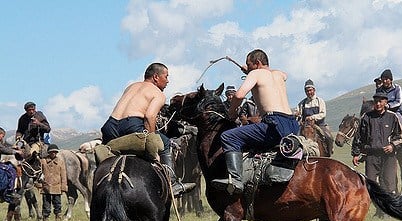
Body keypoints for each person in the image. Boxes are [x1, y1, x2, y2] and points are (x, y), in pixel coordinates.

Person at [100, 63, 195, 197]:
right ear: (156, 77)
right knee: (165, 143)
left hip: (110, 127)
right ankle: (172, 184)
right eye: (166, 77)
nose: (168, 81)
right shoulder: (158, 94)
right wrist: (152, 141)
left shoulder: (131, 86)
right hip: (132, 125)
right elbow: (149, 116)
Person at [212, 49, 299, 194]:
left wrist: (231, 113)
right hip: (292, 124)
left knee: (229, 136)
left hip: (274, 123)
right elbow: (284, 75)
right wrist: (252, 70)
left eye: (249, 64)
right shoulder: (278, 74)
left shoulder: (255, 73)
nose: (247, 67)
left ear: (257, 63)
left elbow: (239, 95)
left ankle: (235, 180)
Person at [351, 92, 402, 218]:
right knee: (371, 185)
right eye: (376, 101)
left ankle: (388, 212)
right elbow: (359, 137)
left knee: (388, 184)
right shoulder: (366, 117)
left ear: (386, 102)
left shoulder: (393, 117)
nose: (378, 104)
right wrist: (356, 153)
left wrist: (392, 145)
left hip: (388, 156)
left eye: (381, 101)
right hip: (371, 156)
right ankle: (378, 210)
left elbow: (401, 136)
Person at [296, 79, 334, 155]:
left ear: (314, 90)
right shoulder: (302, 103)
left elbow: (323, 114)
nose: (309, 92)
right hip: (305, 126)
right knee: (296, 137)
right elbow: (298, 115)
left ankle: (328, 153)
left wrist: (313, 117)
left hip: (319, 125)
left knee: (329, 137)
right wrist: (297, 116)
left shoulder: (320, 101)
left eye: (310, 90)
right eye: (307, 91)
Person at [40, 144, 67, 221]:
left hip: (57, 186)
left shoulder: (60, 162)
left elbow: (63, 174)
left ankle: (58, 216)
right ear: (49, 152)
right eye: (51, 152)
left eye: (55, 152)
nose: (53, 153)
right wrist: (39, 184)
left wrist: (63, 186)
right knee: (46, 204)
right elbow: (40, 173)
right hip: (46, 186)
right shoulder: (43, 161)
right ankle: (45, 217)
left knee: (57, 203)